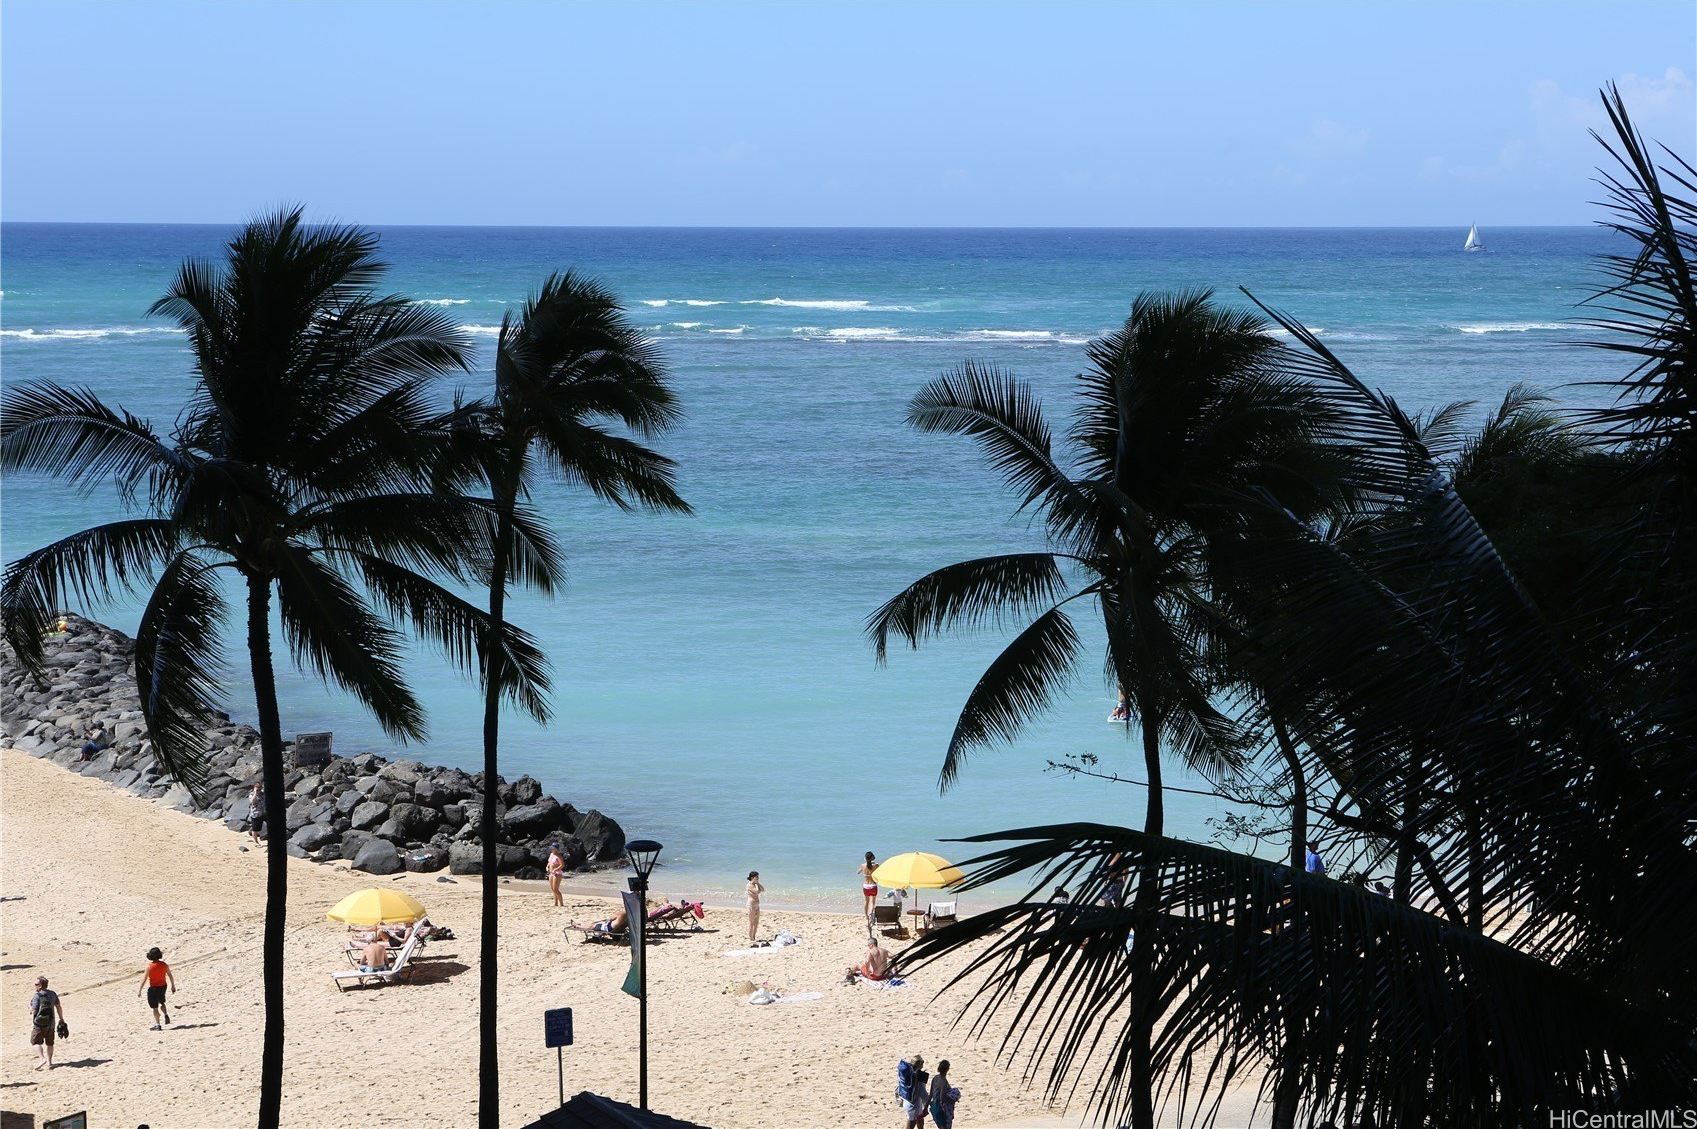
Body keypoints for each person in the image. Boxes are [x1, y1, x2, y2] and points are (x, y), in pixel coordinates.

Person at [29, 975, 64, 1070]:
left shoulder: (37, 996)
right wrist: (61, 1019)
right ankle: (49, 1062)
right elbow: (58, 1006)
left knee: (35, 1042)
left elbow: (33, 1011)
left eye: (36, 984)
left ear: (40, 986)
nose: (34, 985)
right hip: (51, 1023)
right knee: (50, 1043)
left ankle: (42, 1059)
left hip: (39, 1024)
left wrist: (29, 1007)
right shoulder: (53, 994)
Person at [137, 946, 176, 1029]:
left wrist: (140, 990)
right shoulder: (164, 965)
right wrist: (173, 986)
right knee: (162, 1002)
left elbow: (144, 979)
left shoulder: (149, 967)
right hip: (163, 986)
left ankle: (158, 1024)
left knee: (155, 1007)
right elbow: (170, 975)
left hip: (153, 988)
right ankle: (166, 1014)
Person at [897, 1053, 929, 1129]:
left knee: (920, 1120)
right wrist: (928, 1103)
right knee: (911, 1124)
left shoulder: (908, 1074)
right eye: (922, 1062)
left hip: (908, 1101)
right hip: (914, 1105)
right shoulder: (919, 1077)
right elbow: (923, 1093)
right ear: (919, 1065)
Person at [929, 1060, 960, 1129]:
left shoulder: (935, 1078)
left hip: (934, 1106)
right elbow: (942, 1098)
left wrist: (925, 1108)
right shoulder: (944, 1081)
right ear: (947, 1069)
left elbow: (931, 1094)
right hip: (942, 1109)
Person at [745, 870, 765, 944]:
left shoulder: (756, 884)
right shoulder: (749, 885)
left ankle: (754, 937)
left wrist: (758, 883)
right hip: (751, 905)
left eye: (758, 877)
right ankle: (751, 938)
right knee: (751, 923)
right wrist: (756, 884)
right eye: (756, 877)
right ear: (752, 878)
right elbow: (757, 891)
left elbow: (763, 889)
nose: (758, 878)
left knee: (756, 922)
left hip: (757, 905)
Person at [859, 851, 880, 917]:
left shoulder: (862, 865)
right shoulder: (876, 865)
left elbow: (858, 872)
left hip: (866, 886)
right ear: (872, 858)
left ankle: (866, 916)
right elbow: (880, 871)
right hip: (873, 886)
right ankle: (871, 914)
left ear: (865, 858)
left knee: (866, 901)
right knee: (872, 902)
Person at [546, 842, 566, 908]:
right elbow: (549, 862)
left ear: (556, 849)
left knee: (555, 889)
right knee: (552, 889)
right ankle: (555, 903)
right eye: (552, 848)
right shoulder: (551, 854)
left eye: (553, 848)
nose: (552, 849)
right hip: (551, 873)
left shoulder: (559, 856)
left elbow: (562, 865)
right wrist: (547, 866)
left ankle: (561, 904)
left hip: (557, 873)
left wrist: (556, 869)